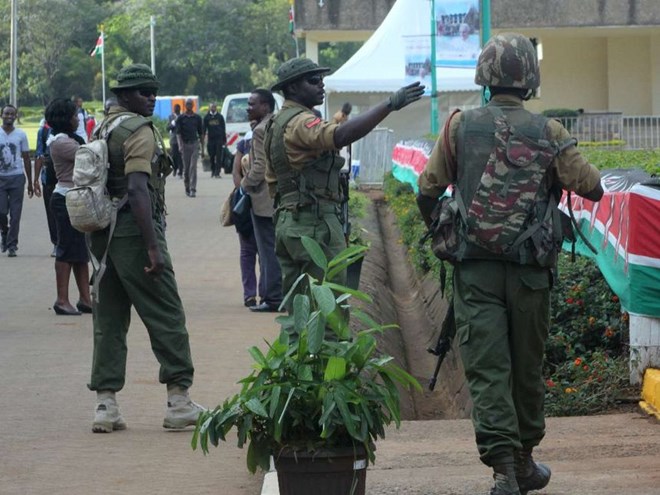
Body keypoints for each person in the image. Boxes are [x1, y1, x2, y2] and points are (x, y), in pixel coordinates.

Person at [416, 33, 604, 495]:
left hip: (474, 270)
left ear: (484, 76)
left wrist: (447, 231)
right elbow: (594, 187)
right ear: (529, 81)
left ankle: (504, 470)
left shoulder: (459, 127)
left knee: (487, 367)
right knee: (526, 364)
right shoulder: (550, 132)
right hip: (530, 273)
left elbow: (426, 189)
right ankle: (524, 460)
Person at [88, 63, 204, 433]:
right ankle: (179, 402)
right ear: (124, 95)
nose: (151, 98)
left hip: (101, 233)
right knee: (166, 315)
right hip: (135, 234)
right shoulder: (139, 130)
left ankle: (105, 406)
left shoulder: (104, 125)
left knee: (109, 320)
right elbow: (138, 189)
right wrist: (152, 248)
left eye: (153, 91)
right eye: (142, 92)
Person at [265, 57, 424, 299]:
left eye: (322, 80)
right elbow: (340, 135)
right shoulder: (301, 122)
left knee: (300, 310)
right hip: (313, 223)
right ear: (293, 88)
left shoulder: (277, 122)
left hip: (291, 221)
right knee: (328, 310)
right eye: (313, 80)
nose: (321, 85)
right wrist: (389, 104)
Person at [44, 98, 93, 316]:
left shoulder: (71, 139)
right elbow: (91, 157)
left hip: (76, 198)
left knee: (80, 251)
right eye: (74, 115)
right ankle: (62, 299)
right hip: (66, 199)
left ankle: (85, 298)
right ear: (64, 119)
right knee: (65, 250)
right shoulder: (61, 142)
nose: (77, 118)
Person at [241, 89, 282, 312]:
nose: (248, 108)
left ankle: (272, 298)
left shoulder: (259, 130)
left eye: (251, 104)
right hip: (277, 197)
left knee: (267, 252)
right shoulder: (275, 124)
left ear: (265, 106)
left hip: (263, 200)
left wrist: (244, 186)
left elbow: (259, 167)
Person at [232, 128, 263, 308]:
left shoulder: (265, 137)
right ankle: (250, 294)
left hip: (261, 203)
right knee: (249, 250)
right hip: (247, 203)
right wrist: (244, 192)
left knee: (259, 251)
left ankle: (262, 292)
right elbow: (236, 172)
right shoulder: (244, 142)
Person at [0, 104, 36, 258]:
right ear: (1, 115)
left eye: (12, 114)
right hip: (0, 179)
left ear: (16, 116)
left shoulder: (21, 134)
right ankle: (5, 232)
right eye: (6, 113)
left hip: (16, 178)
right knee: (1, 212)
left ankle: (12, 245)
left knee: (15, 214)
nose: (9, 116)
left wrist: (30, 181)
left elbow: (26, 158)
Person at [34, 117, 58, 256]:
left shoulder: (70, 133)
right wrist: (35, 180)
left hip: (67, 180)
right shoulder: (43, 132)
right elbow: (39, 154)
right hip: (48, 179)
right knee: (51, 212)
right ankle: (56, 242)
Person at [176, 98, 204, 197]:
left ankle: (193, 189)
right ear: (185, 105)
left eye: (190, 104)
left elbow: (201, 134)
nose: (188, 105)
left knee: (193, 167)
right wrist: (180, 146)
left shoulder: (197, 118)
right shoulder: (181, 118)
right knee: (186, 169)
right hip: (185, 145)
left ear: (193, 105)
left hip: (194, 144)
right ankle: (187, 187)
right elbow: (178, 133)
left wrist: (203, 148)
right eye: (187, 104)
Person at [203, 102, 227, 178]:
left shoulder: (220, 117)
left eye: (214, 107)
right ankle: (213, 170)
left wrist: (224, 139)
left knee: (219, 155)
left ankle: (217, 172)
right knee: (212, 155)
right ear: (209, 108)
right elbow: (204, 128)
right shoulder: (207, 117)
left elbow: (223, 128)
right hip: (211, 139)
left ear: (216, 107)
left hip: (219, 139)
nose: (213, 108)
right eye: (211, 107)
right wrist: (202, 138)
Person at [167, 103, 183, 178]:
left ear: (179, 109)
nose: (176, 110)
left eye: (177, 108)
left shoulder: (182, 116)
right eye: (175, 108)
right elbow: (167, 128)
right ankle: (175, 168)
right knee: (174, 155)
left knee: (180, 156)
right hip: (173, 139)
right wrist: (172, 124)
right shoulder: (171, 117)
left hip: (181, 139)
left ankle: (181, 171)